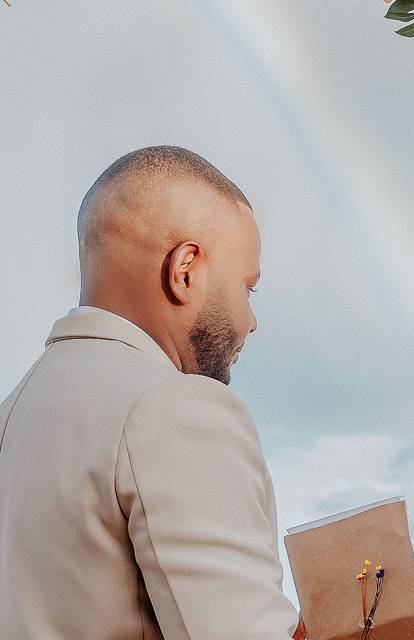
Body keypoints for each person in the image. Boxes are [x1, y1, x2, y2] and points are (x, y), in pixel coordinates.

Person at [0, 146, 305, 639]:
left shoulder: (12, 414)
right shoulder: (175, 411)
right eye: (248, 288)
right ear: (185, 270)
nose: (251, 322)